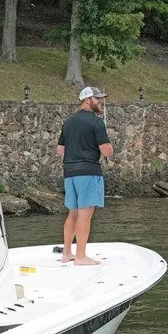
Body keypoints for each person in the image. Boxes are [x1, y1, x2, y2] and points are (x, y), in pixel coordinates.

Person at [56, 86, 114, 266]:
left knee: (72, 213)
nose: (100, 102)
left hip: (69, 173)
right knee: (85, 215)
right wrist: (110, 149)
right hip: (88, 172)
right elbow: (106, 151)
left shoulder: (68, 122)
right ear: (87, 100)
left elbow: (60, 151)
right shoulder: (97, 123)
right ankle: (80, 257)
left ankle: (67, 253)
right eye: (97, 99)